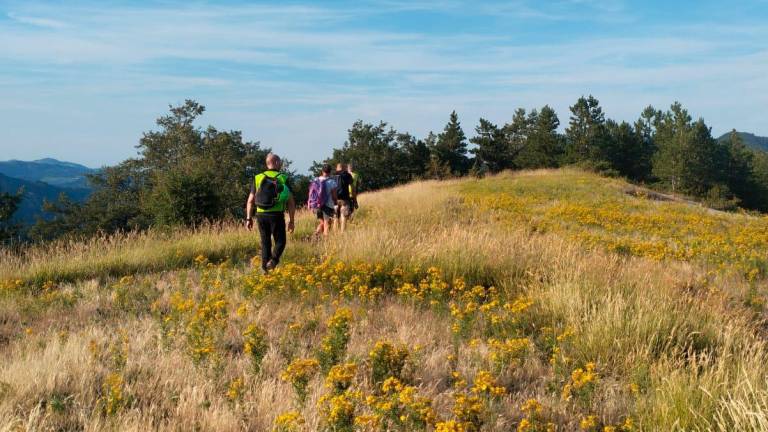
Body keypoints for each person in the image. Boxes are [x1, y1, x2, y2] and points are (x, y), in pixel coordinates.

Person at [245, 153, 296, 272]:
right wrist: (292, 221)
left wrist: (248, 218)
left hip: (261, 215)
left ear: (267, 164)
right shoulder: (283, 178)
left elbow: (250, 200)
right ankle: (273, 261)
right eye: (280, 162)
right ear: (277, 163)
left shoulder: (257, 177)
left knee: (265, 243)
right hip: (276, 215)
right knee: (281, 241)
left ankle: (265, 271)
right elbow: (291, 202)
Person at [309, 164, 337, 237]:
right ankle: (325, 240)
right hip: (328, 205)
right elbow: (334, 196)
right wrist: (336, 203)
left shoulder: (315, 180)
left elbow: (311, 192)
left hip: (317, 205)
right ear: (330, 172)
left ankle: (315, 236)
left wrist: (310, 203)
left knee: (322, 222)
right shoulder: (332, 182)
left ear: (322, 171)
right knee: (327, 223)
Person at [334, 163, 354, 232]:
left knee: (335, 217)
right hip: (345, 199)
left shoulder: (333, 176)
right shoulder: (348, 175)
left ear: (337, 168)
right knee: (344, 217)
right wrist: (354, 199)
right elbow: (352, 187)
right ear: (344, 168)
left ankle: (335, 234)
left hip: (335, 200)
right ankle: (342, 234)